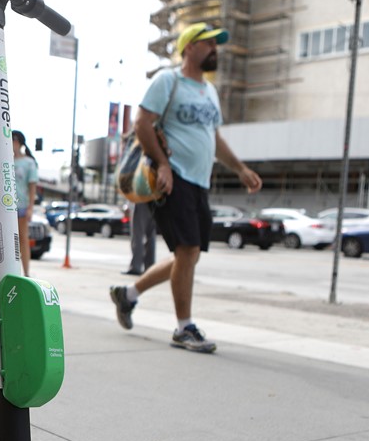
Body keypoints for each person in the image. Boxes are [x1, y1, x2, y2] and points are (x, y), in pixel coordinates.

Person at [109, 23, 262, 353]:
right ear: (189, 47)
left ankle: (129, 294)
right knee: (188, 251)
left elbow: (214, 138)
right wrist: (163, 163)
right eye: (208, 43)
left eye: (216, 44)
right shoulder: (169, 80)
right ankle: (183, 328)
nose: (215, 49)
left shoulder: (210, 91)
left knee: (188, 256)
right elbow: (141, 122)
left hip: (198, 182)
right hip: (171, 178)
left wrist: (240, 168)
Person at [11, 131, 38, 277]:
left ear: (20, 142)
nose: (13, 142)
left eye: (15, 140)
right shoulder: (5, 159)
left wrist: (30, 208)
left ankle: (26, 272)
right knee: (8, 240)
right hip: (7, 207)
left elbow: (32, 186)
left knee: (23, 238)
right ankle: (12, 270)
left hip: (22, 205)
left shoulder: (29, 162)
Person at [125, 201, 156, 275]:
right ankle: (150, 267)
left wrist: (127, 205)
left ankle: (136, 266)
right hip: (154, 203)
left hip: (140, 201)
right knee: (151, 236)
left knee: (137, 236)